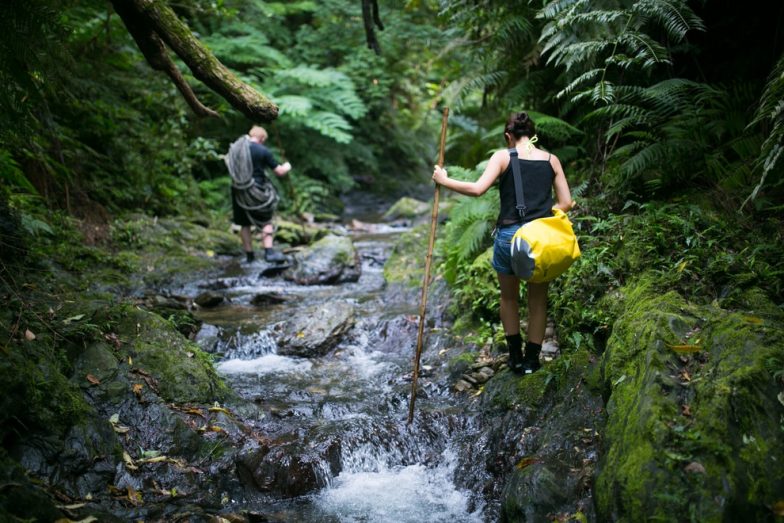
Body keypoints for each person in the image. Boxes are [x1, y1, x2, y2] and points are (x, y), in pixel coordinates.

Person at [432, 111, 574, 374]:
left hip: (509, 236)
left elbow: (477, 189)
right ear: (533, 136)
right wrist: (542, 215)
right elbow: (566, 203)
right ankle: (533, 361)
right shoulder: (551, 160)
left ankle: (515, 359)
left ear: (509, 136)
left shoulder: (502, 156)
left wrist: (444, 180)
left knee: (509, 298)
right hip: (539, 238)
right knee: (538, 301)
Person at [231, 125, 292, 263]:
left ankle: (249, 256)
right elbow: (279, 171)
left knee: (244, 224)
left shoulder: (236, 149)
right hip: (257, 191)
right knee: (266, 221)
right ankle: (269, 253)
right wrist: (287, 166)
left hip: (239, 191)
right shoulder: (263, 151)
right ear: (262, 138)